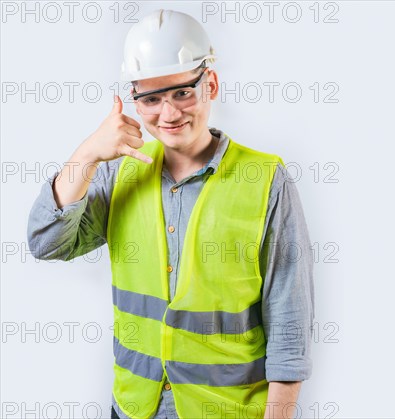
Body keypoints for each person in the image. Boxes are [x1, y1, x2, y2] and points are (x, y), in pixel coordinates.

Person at [26, 9, 314, 419]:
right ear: (134, 101)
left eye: (182, 92)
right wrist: (87, 153)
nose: (169, 114)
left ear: (209, 84)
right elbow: (45, 242)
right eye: (151, 99)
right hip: (133, 408)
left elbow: (290, 317)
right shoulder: (120, 170)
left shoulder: (266, 179)